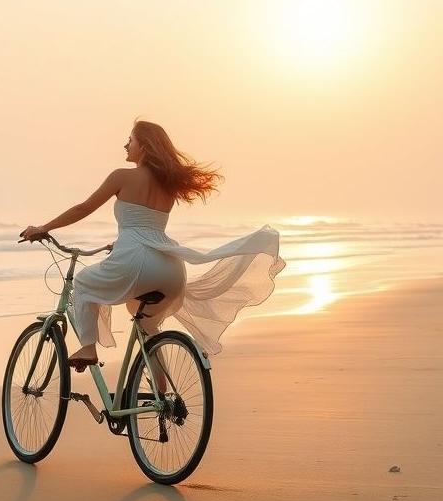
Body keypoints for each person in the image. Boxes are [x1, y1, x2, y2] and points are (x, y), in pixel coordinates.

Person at [19, 120, 285, 370]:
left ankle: (88, 348)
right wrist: (122, 242)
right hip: (170, 267)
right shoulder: (168, 186)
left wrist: (43, 228)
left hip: (136, 260)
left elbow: (84, 208)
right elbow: (145, 226)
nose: (125, 145)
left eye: (130, 140)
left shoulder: (121, 176)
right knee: (147, 326)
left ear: (144, 147)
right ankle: (162, 392)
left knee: (84, 283)